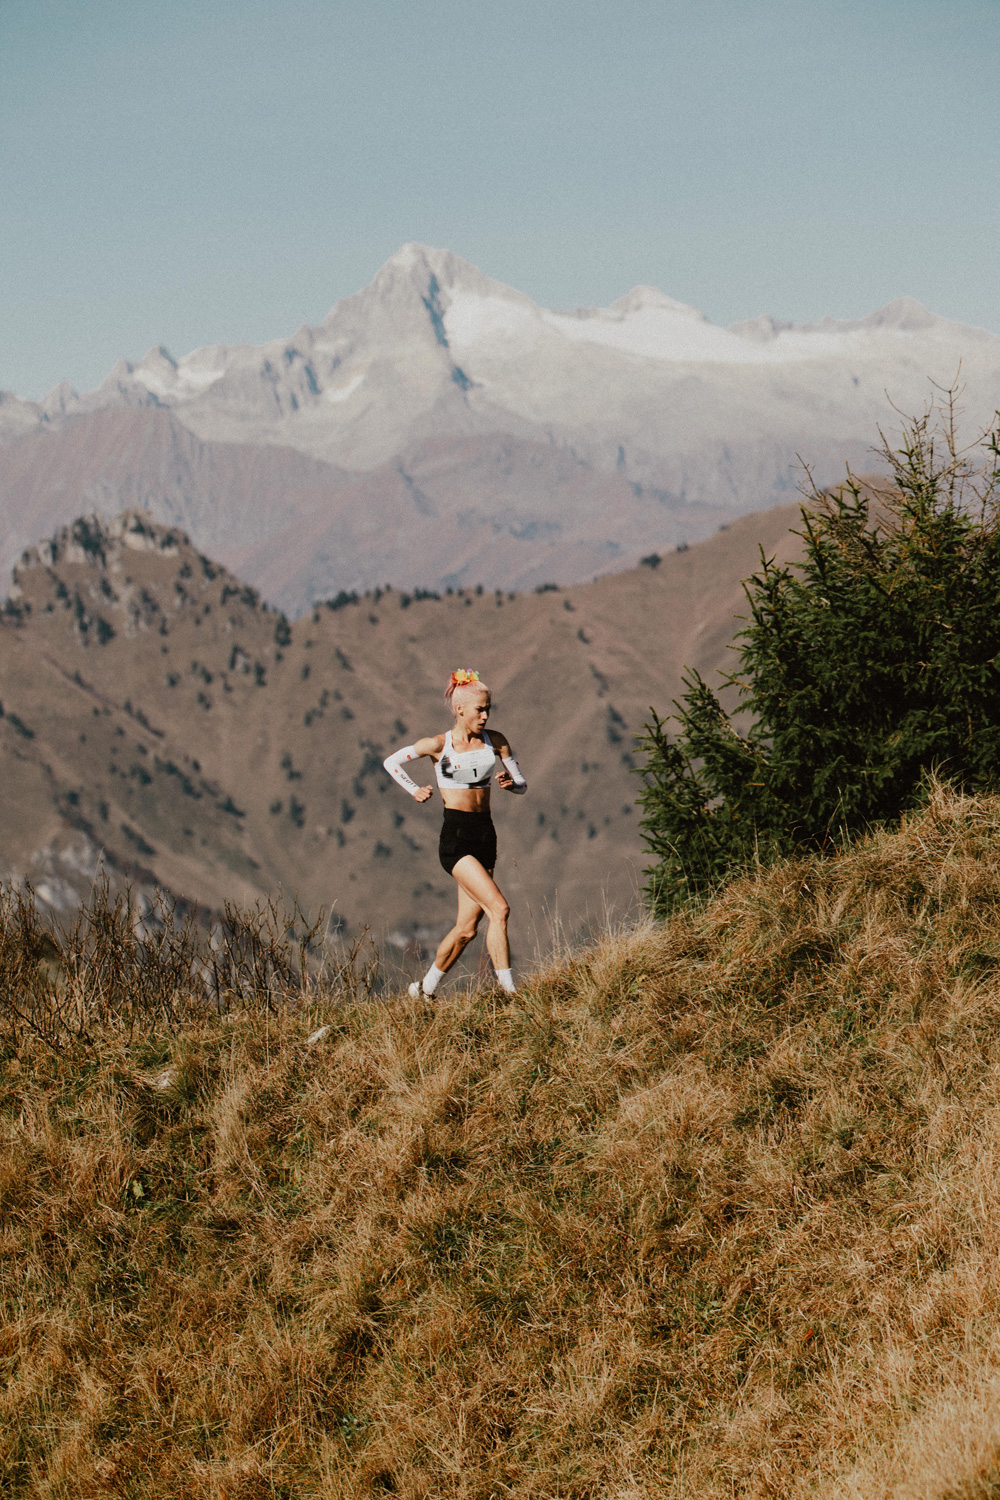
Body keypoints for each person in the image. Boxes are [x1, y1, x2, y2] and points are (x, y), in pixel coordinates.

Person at [383, 669, 527, 996]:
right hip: (457, 838)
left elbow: (521, 784)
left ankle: (424, 988)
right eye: (480, 709)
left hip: (485, 836)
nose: (486, 715)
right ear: (460, 709)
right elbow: (392, 762)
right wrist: (414, 790)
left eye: (489, 708)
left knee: (466, 930)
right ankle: (511, 994)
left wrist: (510, 784)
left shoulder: (496, 741)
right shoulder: (438, 744)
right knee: (499, 909)